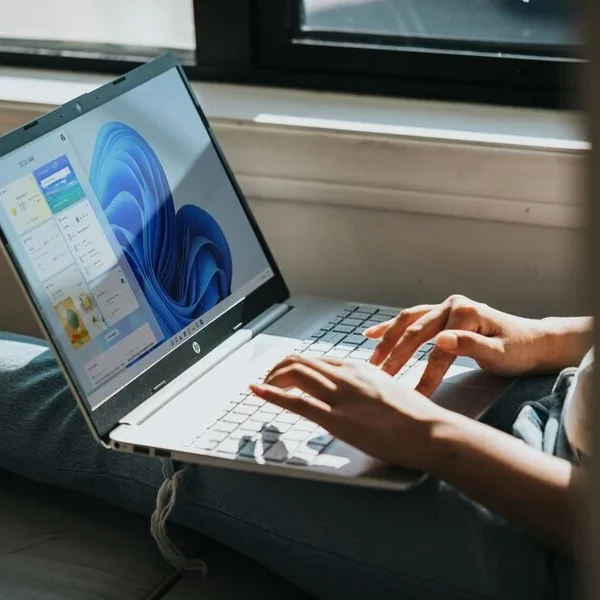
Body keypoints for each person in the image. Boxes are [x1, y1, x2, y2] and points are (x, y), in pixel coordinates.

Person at [0, 294, 591, 600]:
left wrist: (427, 434)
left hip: (550, 538)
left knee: (96, 408)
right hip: (554, 395)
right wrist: (550, 339)